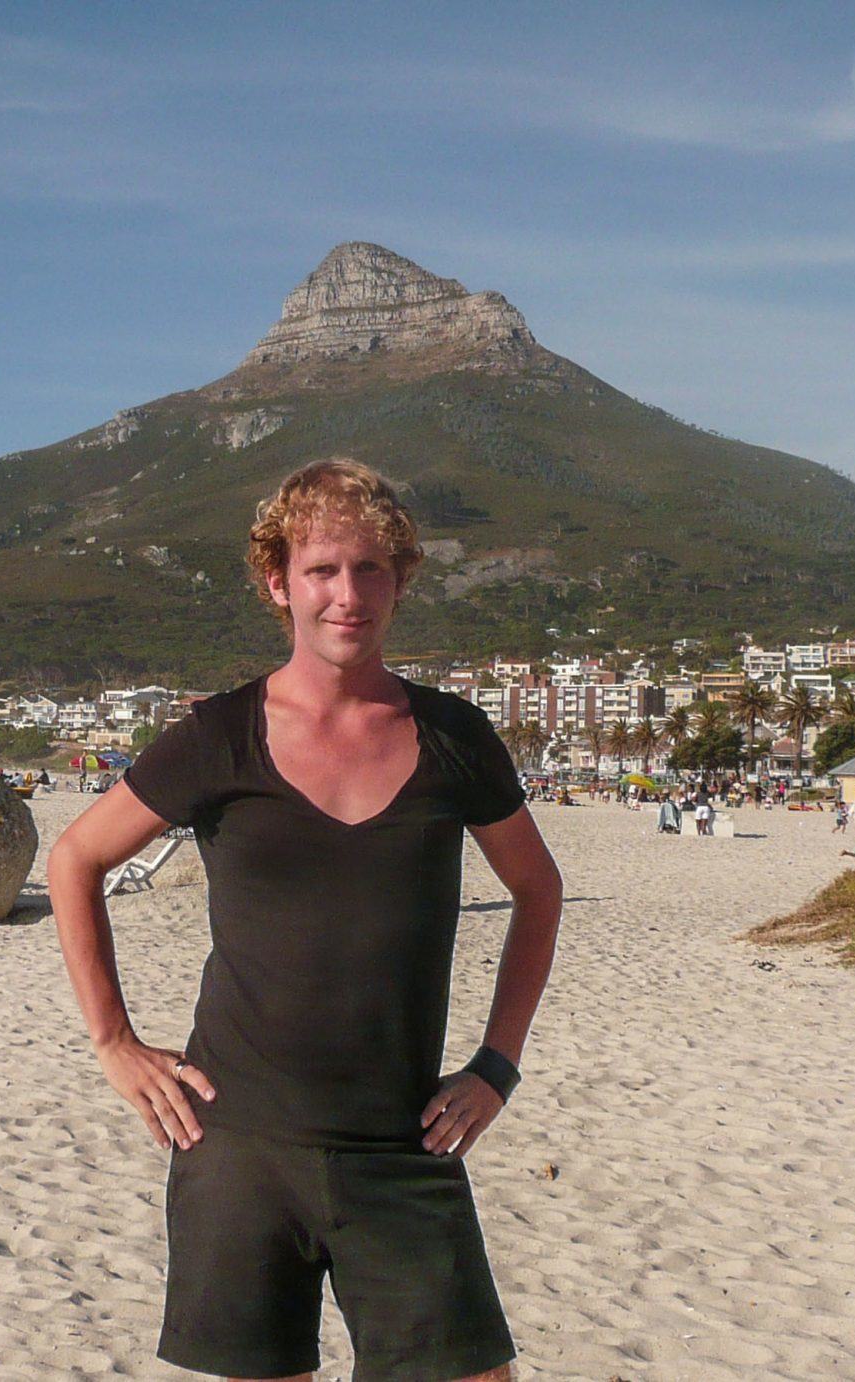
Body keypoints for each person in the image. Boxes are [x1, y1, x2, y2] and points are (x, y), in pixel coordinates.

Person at [45, 459, 558, 1382]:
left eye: (370, 570)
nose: (347, 594)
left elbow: (539, 891)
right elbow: (76, 858)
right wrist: (114, 1041)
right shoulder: (219, 737)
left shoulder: (454, 737)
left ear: (400, 582)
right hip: (237, 1145)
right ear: (279, 583)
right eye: (323, 570)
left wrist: (497, 1066)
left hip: (404, 1142)